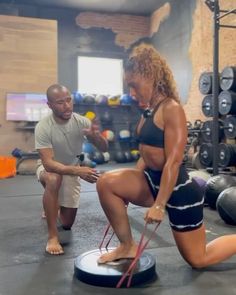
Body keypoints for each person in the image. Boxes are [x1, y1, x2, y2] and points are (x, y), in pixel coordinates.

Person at [96, 43, 236, 268]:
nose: (131, 93)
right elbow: (145, 153)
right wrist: (126, 187)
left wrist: (160, 205)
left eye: (134, 85)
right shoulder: (149, 110)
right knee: (106, 183)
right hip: (153, 181)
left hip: (180, 191)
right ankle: (127, 246)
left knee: (198, 259)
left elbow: (174, 160)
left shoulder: (171, 109)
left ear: (150, 75)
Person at [35, 84, 108, 255]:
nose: (67, 105)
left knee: (67, 224)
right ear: (50, 105)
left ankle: (53, 205)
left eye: (69, 100)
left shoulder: (82, 122)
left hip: (72, 169)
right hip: (49, 168)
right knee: (54, 179)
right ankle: (52, 236)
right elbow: (48, 163)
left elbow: (104, 148)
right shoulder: (43, 127)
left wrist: (95, 136)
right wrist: (79, 171)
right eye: (60, 102)